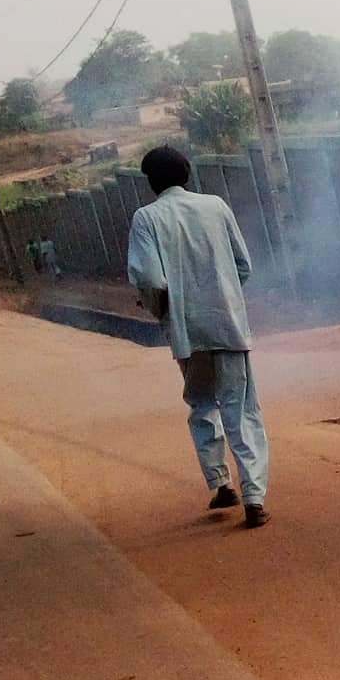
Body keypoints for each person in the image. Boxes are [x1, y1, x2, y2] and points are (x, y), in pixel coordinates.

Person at [126, 145, 270, 527]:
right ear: (187, 173)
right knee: (241, 409)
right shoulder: (216, 206)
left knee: (202, 403)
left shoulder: (146, 218)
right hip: (227, 324)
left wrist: (162, 311)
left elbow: (150, 278)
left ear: (151, 182)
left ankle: (221, 483)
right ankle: (254, 496)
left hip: (187, 331)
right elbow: (244, 265)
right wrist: (226, 296)